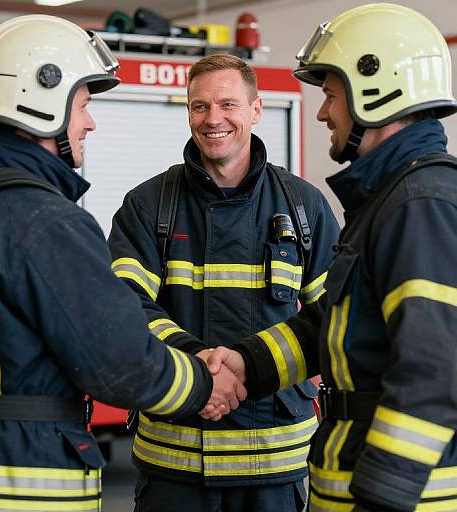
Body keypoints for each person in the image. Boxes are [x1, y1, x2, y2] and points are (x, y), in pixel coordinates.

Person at [0, 15, 246, 512]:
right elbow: (121, 365)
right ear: (41, 101)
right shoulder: (45, 222)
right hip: (16, 483)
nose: (90, 122)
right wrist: (203, 384)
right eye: (83, 106)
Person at [207, 4, 457, 511]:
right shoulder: (391, 198)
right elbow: (336, 325)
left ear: (376, 87)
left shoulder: (421, 203)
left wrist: (384, 493)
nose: (323, 113)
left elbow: (437, 366)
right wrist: (246, 363)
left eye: (331, 95)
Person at [108, 53, 339, 512]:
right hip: (175, 462)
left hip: (275, 463)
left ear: (256, 110)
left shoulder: (304, 207)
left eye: (229, 105)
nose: (213, 119)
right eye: (199, 106)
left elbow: (336, 316)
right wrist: (200, 368)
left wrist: (247, 368)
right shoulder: (148, 205)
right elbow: (123, 307)